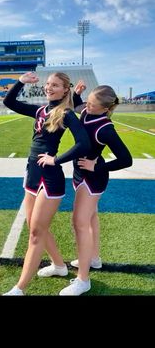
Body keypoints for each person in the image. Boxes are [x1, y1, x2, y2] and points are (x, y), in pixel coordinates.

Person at [2, 72, 91, 295]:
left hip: (49, 178)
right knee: (34, 225)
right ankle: (59, 266)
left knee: (35, 233)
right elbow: (9, 102)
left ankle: (19, 288)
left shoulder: (67, 113)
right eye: (48, 84)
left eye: (55, 85)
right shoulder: (40, 110)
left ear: (65, 90)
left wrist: (56, 159)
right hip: (31, 172)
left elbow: (84, 143)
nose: (49, 88)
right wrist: (21, 82)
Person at [57, 81, 133, 295]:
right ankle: (94, 259)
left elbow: (126, 159)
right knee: (91, 218)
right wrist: (77, 94)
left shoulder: (106, 128)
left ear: (105, 109)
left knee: (79, 222)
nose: (86, 106)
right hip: (80, 175)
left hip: (92, 179)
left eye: (91, 104)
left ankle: (83, 279)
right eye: (87, 102)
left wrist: (97, 165)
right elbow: (80, 108)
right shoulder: (87, 113)